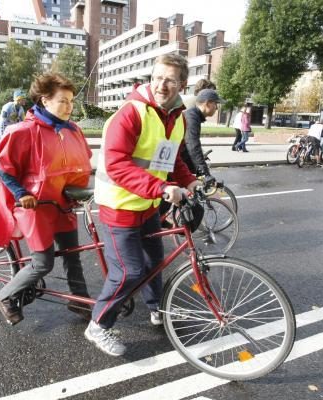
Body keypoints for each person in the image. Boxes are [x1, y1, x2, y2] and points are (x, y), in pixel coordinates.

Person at [86, 53, 200, 356]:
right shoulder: (131, 112)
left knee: (154, 261)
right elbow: (116, 164)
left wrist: (189, 180)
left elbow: (171, 158)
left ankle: (156, 308)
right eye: (158, 77)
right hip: (119, 205)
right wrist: (161, 187)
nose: (162, 84)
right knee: (129, 271)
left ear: (182, 84)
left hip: (147, 205)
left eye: (170, 80)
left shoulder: (176, 117)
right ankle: (97, 325)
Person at [0, 73, 92, 325]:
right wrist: (21, 193)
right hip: (35, 206)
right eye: (63, 101)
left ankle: (80, 300)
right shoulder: (24, 131)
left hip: (62, 203)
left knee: (72, 254)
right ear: (45, 101)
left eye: (71, 101)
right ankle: (5, 296)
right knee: (43, 262)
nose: (69, 107)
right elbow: (2, 167)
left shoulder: (72, 130)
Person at [182, 88, 226, 181]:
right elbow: (192, 145)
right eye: (215, 104)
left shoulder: (194, 115)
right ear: (208, 103)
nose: (216, 108)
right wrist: (205, 173)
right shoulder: (192, 117)